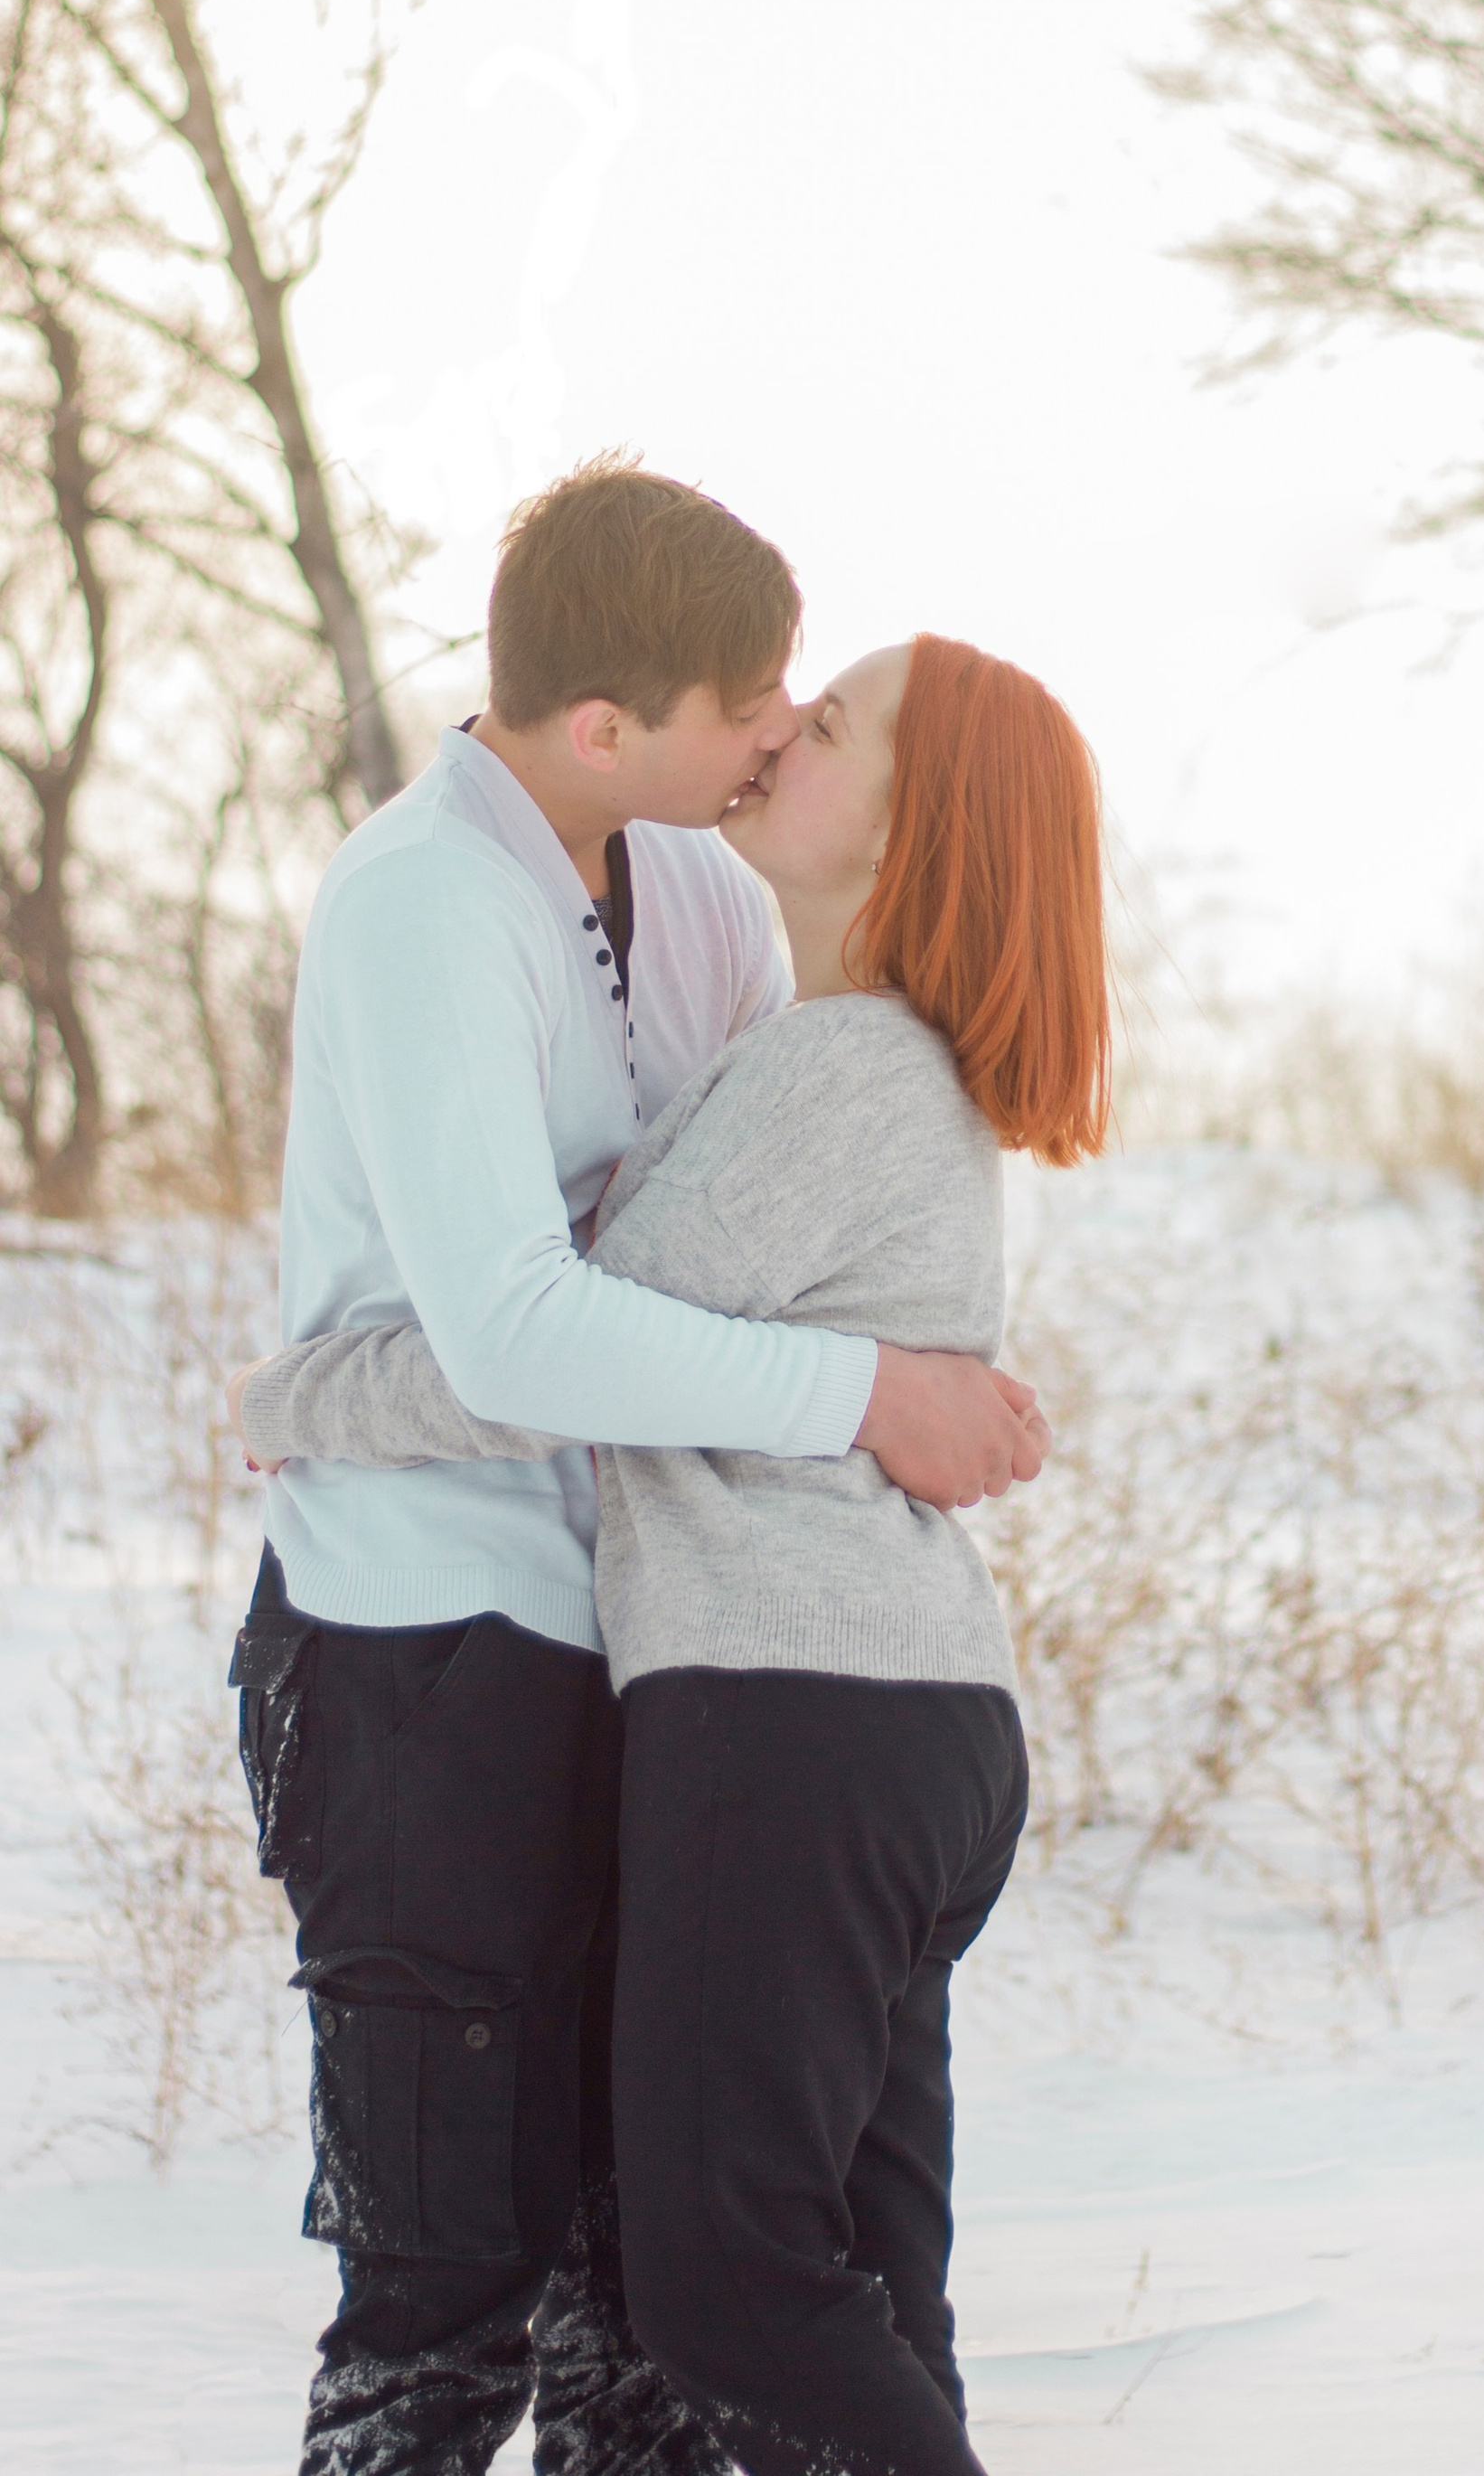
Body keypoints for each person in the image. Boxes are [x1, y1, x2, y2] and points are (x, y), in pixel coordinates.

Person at [230, 463, 1046, 2476]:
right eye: (756, 698)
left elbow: (729, 1259)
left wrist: (847, 1378)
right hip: (428, 1645)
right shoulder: (423, 902)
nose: (777, 726)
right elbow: (530, 1329)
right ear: (606, 727)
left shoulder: (697, 889)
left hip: (660, 1652)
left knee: (647, 2326)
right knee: (445, 2308)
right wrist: (865, 1392)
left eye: (803, 701)